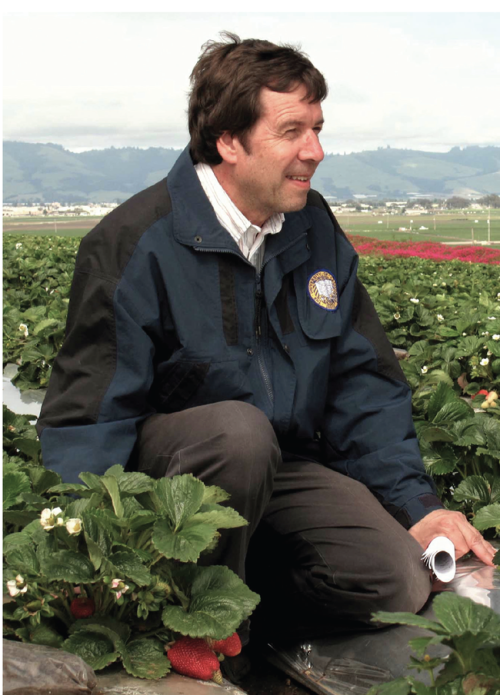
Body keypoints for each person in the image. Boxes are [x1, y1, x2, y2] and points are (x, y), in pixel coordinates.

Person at [37, 32, 496, 682]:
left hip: (284, 472)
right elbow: (89, 420)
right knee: (239, 435)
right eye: (292, 131)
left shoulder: (311, 230)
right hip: (173, 491)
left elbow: (362, 385)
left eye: (317, 128)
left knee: (395, 578)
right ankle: (191, 631)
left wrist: (416, 507)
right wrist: (87, 563)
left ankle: (240, 614)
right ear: (229, 140)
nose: (316, 150)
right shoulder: (133, 243)